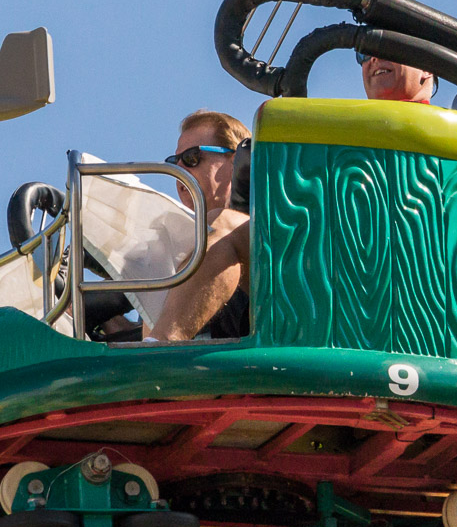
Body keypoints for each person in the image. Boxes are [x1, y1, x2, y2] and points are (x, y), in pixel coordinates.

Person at [147, 57, 434, 341]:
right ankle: (153, 356)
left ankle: (158, 356)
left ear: (428, 66)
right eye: (364, 54)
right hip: (325, 279)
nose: (373, 59)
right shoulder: (350, 137)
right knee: (163, 259)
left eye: (192, 158)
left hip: (379, 291)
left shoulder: (451, 148)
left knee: (223, 227)